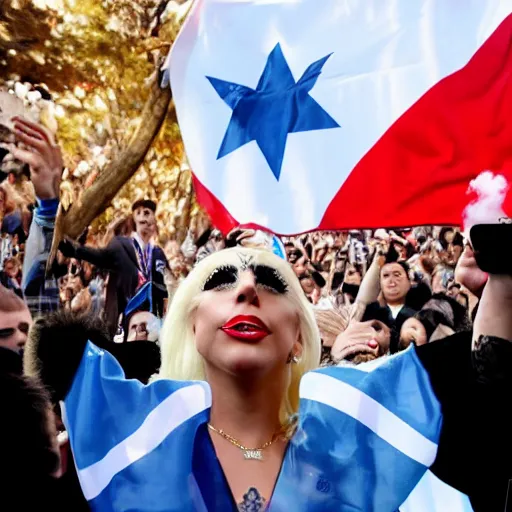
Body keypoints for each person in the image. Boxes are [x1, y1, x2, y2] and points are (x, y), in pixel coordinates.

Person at [25, 243, 512, 511]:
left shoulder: (358, 435)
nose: (248, 288)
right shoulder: (128, 444)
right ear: (191, 326)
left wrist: (502, 282)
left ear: (299, 336)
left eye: (271, 281)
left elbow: (481, 382)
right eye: (220, 281)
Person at [59, 198, 170, 337]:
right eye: (139, 213)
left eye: (147, 213)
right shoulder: (121, 246)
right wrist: (72, 249)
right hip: (123, 326)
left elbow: (169, 287)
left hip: (154, 326)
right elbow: (99, 256)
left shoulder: (158, 254)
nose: (143, 216)